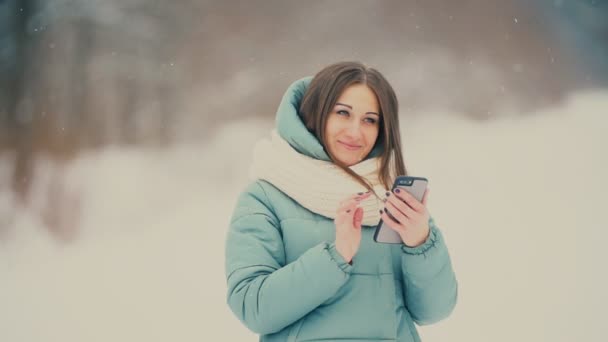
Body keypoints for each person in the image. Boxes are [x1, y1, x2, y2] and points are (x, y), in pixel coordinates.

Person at [224, 61, 458, 342]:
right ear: (315, 113)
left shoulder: (395, 199)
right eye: (342, 113)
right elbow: (254, 307)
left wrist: (421, 243)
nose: (355, 132)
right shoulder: (265, 197)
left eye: (369, 120)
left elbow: (435, 311)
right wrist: (335, 256)